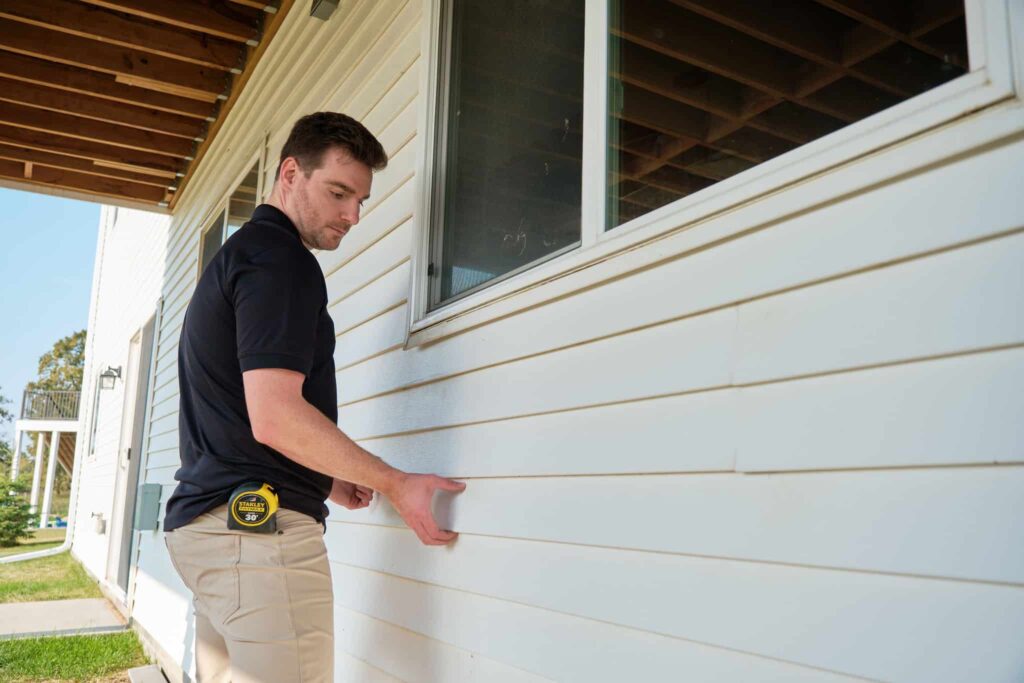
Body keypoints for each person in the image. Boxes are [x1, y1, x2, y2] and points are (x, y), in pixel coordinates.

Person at [163, 112, 465, 683]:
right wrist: (395, 483)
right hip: (257, 542)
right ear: (290, 174)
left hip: (209, 534)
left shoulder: (239, 257)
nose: (352, 215)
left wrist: (324, 477)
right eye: (338, 192)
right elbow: (275, 417)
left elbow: (236, 413)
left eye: (361, 200)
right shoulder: (281, 261)